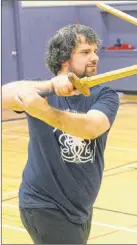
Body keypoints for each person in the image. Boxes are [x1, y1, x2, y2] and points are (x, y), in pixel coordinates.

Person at [1, 24, 120, 244]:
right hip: (43, 203)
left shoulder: (105, 94)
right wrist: (48, 86)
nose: (94, 57)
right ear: (64, 58)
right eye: (85, 52)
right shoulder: (42, 90)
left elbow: (91, 127)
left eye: (95, 51)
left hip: (80, 208)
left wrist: (44, 112)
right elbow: (4, 94)